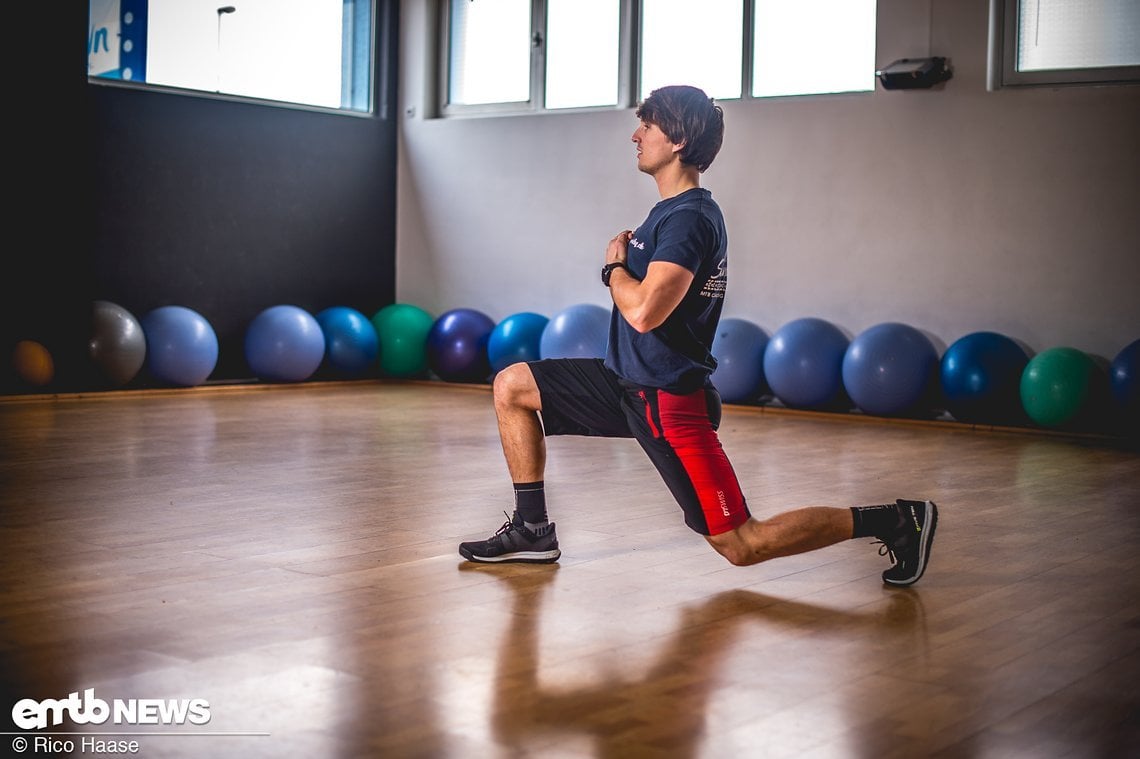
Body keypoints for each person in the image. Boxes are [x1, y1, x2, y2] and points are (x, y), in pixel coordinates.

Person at [458, 85, 937, 586]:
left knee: (743, 544)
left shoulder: (689, 219)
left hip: (668, 403)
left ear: (679, 139)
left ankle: (898, 521)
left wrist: (614, 268)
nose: (635, 135)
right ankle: (532, 529)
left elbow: (644, 311)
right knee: (513, 385)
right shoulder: (669, 213)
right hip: (625, 383)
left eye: (647, 125)